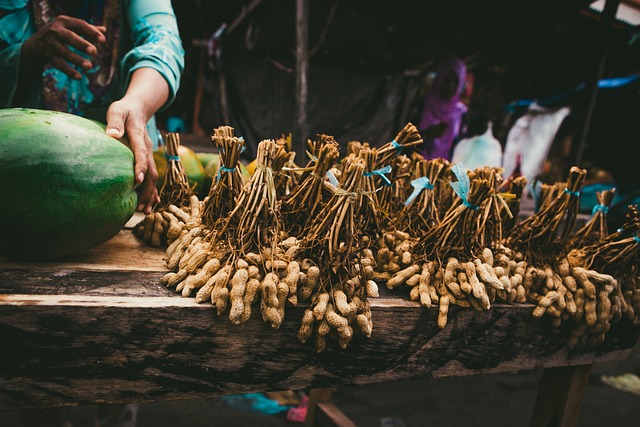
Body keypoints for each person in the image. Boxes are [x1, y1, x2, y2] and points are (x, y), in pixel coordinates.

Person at [0, 0, 185, 214]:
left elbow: (164, 43)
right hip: (20, 182)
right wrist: (28, 52)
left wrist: (137, 104)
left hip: (125, 181)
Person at [419, 56, 468, 160]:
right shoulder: (423, 105)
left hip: (444, 170)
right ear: (439, 78)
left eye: (455, 82)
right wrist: (428, 135)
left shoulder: (461, 113)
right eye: (447, 80)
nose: (450, 86)